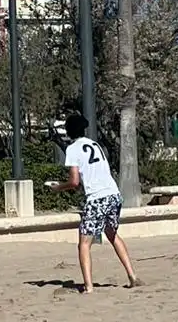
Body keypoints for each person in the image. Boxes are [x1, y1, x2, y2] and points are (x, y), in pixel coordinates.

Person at [46, 113, 138, 293]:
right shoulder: (95, 144)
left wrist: (58, 187)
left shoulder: (72, 149)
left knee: (84, 243)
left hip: (97, 198)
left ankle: (89, 286)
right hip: (113, 194)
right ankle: (132, 275)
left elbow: (74, 182)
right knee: (112, 233)